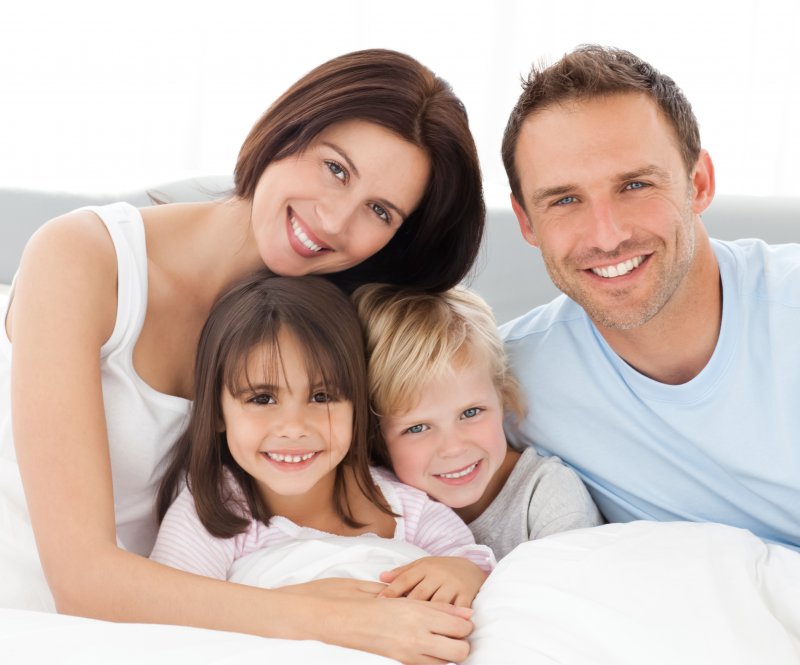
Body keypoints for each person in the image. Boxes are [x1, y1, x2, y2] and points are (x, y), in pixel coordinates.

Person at [0, 48, 486, 663]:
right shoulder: (82, 258)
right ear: (287, 129)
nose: (336, 219)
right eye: (336, 169)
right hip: (30, 611)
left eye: (380, 211)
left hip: (180, 625)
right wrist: (318, 617)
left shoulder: (318, 330)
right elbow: (81, 579)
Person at [499, 44, 800, 551]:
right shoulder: (506, 383)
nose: (607, 235)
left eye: (635, 185)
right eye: (565, 200)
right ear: (527, 222)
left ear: (698, 183)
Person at [151, 273, 493, 607]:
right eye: (262, 399)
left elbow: (470, 564)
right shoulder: (214, 511)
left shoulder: (403, 507)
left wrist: (462, 572)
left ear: (356, 404)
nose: (294, 427)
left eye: (321, 396)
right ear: (218, 412)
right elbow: (169, 608)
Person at [353, 284, 602, 561]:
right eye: (417, 428)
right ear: (375, 437)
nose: (454, 448)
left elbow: (568, 596)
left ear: (503, 396)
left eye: (470, 413)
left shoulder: (547, 495)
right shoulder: (382, 506)